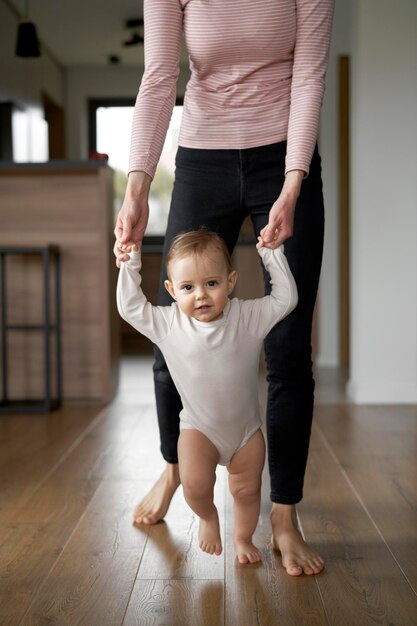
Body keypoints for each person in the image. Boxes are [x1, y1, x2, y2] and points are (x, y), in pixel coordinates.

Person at [114, 0, 335, 576]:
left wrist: (293, 183)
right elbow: (161, 75)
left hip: (284, 161)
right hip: (202, 158)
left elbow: (309, 72)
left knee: (287, 348)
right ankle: (173, 466)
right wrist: (137, 188)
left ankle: (284, 518)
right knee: (174, 331)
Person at [116, 229, 298, 564]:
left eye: (211, 284)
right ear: (171, 290)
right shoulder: (168, 323)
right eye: (188, 288)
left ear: (230, 282)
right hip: (199, 430)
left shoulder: (247, 316)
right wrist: (130, 264)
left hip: (246, 433)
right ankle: (208, 517)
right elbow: (130, 308)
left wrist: (272, 256)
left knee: (247, 492)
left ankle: (243, 539)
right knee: (195, 485)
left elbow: (285, 300)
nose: (200, 295)